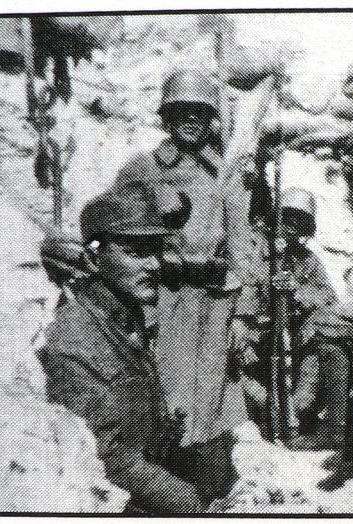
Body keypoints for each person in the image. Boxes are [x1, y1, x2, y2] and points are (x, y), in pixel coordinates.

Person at [38, 182, 238, 514]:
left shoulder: (125, 313)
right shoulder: (76, 340)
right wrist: (189, 505)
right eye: (136, 252)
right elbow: (106, 459)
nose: (155, 265)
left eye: (156, 250)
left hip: (146, 463)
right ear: (94, 257)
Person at [114, 68, 267, 445]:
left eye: (199, 112)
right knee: (167, 389)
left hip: (216, 299)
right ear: (167, 118)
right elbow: (118, 237)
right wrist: (139, 302)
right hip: (166, 295)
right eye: (182, 112)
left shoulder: (225, 171)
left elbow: (240, 243)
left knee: (211, 392)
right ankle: (164, 467)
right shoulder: (142, 168)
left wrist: (244, 313)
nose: (191, 120)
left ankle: (201, 467)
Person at [230, 187, 353, 449]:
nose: (292, 226)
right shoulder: (255, 250)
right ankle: (270, 411)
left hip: (291, 342)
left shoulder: (307, 260)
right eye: (287, 217)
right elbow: (242, 293)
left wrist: (297, 290)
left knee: (319, 339)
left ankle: (296, 412)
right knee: (245, 382)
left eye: (300, 221)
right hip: (256, 341)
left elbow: (328, 299)